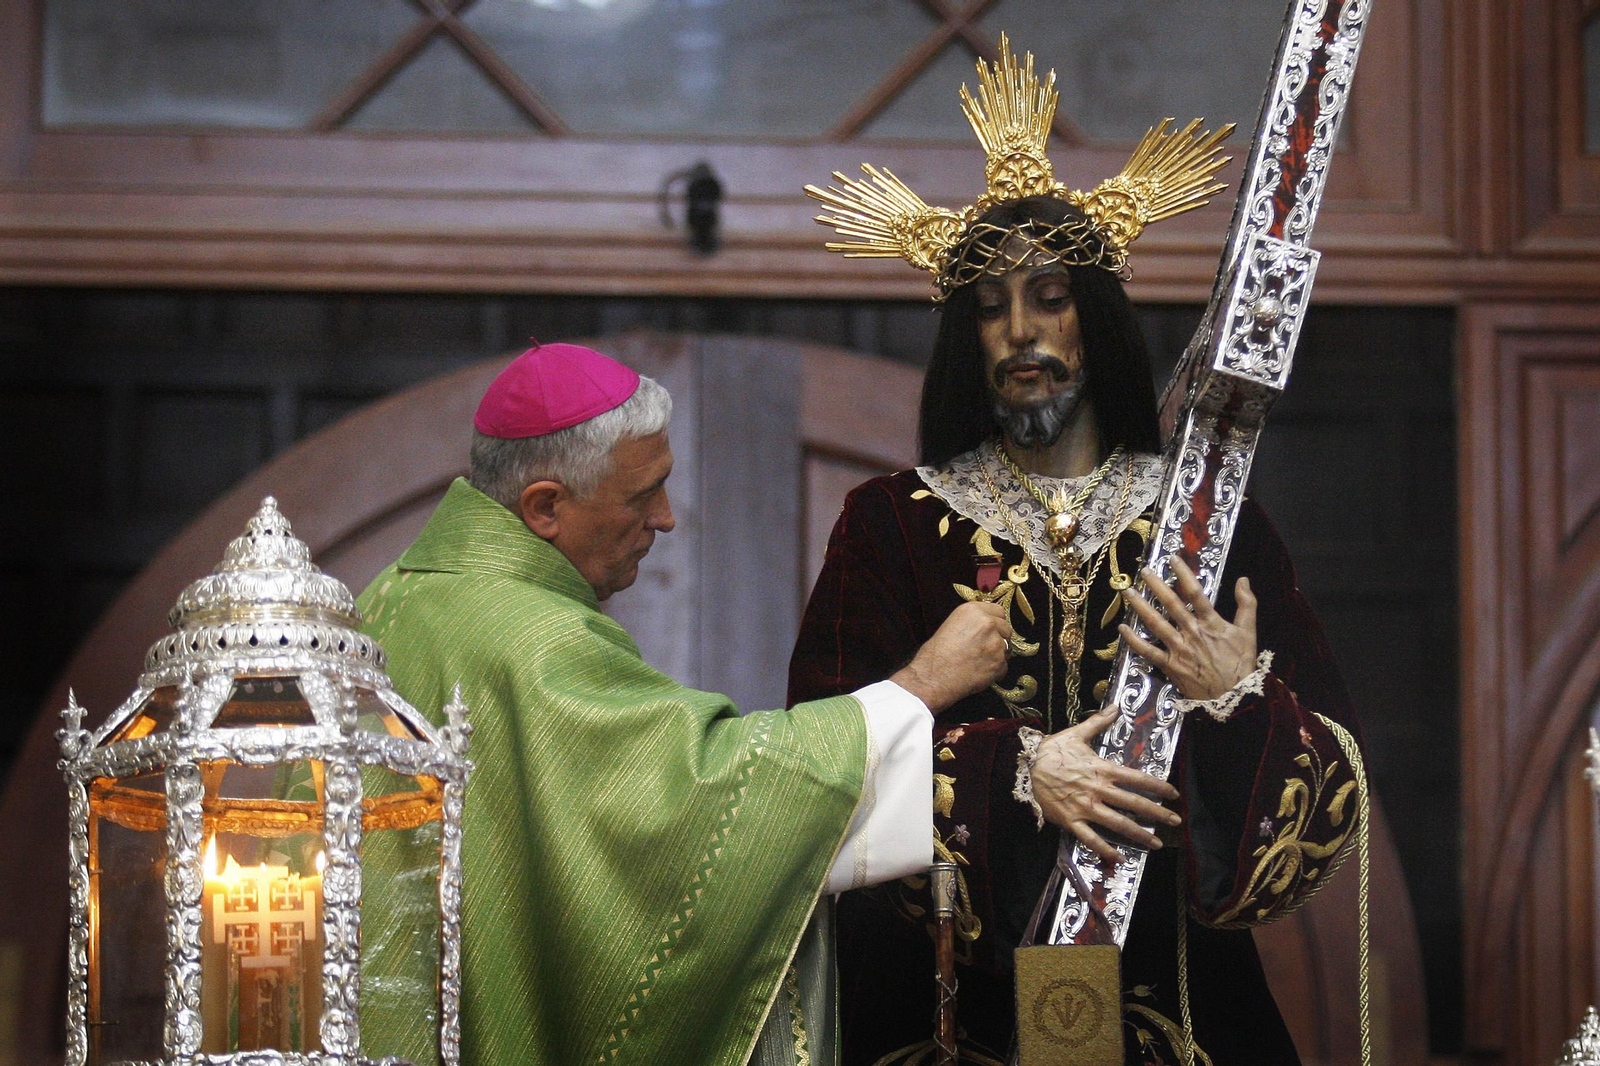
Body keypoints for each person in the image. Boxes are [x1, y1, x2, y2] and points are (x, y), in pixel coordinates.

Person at [792, 37, 1364, 1066]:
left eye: (1050, 298)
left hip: (1177, 1009)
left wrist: (1238, 696)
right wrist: (1014, 773)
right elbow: (811, 770)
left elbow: (1332, 784)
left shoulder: (1206, 520)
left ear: (1095, 319)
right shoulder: (888, 524)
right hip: (948, 1018)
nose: (1019, 331)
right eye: (989, 308)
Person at [355, 341, 1014, 1066]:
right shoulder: (533, 639)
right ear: (545, 507)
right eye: (641, 496)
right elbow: (704, 802)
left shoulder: (389, 599)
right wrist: (922, 684)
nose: (665, 519)